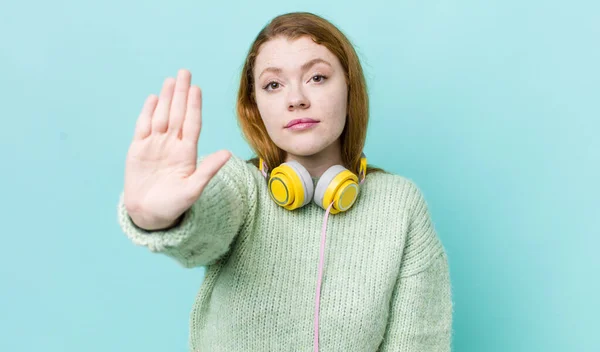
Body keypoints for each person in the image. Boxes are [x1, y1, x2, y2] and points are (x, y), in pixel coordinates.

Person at [117, 11, 453, 352]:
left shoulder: (399, 205)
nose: (296, 99)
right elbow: (204, 218)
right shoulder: (242, 188)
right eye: (273, 85)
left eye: (317, 77)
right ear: (255, 107)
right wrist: (159, 217)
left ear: (350, 90)